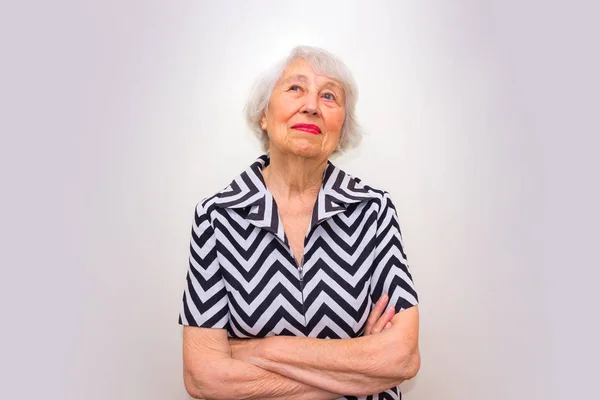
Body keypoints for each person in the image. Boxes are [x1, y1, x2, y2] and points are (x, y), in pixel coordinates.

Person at [178, 45, 420, 400]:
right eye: (295, 88)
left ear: (341, 129)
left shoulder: (373, 209)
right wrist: (358, 367)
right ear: (264, 114)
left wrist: (264, 350)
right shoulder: (216, 217)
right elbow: (204, 378)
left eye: (329, 96)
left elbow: (401, 358)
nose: (311, 106)